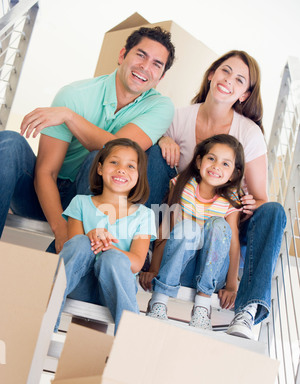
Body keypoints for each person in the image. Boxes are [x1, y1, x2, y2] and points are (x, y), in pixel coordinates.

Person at [144, 50, 287, 340]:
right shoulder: (179, 117)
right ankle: (142, 253)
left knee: (274, 211)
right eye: (225, 71)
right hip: (183, 214)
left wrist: (245, 204)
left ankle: (246, 310)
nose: (228, 81)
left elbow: (260, 199)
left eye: (239, 79)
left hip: (225, 217)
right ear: (211, 74)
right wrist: (162, 137)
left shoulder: (248, 133)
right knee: (151, 154)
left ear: (245, 93)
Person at [0, 26, 175, 253]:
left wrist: (69, 117)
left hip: (93, 202)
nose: (145, 67)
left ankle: (103, 255)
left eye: (156, 64)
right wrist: (62, 230)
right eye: (141, 55)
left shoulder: (160, 107)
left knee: (102, 157)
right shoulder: (75, 95)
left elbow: (115, 151)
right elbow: (46, 173)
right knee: (9, 142)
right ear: (123, 55)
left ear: (160, 77)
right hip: (46, 194)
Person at [140, 134, 245, 331]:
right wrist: (154, 269)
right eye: (211, 159)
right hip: (178, 266)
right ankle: (159, 301)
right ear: (199, 161)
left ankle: (202, 308)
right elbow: (166, 229)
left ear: (233, 174)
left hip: (211, 273)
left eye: (225, 164)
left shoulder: (231, 199)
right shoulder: (183, 185)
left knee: (218, 225)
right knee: (188, 228)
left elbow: (233, 243)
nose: (216, 167)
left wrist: (231, 285)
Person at [56, 138, 157, 335]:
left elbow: (136, 263)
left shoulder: (144, 215)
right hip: (79, 284)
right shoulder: (81, 203)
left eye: (130, 166)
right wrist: (91, 235)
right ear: (100, 168)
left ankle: (130, 338)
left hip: (115, 288)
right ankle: (46, 314)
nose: (121, 170)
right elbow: (73, 249)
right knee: (81, 242)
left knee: (112, 258)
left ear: (139, 176)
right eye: (114, 162)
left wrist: (109, 247)